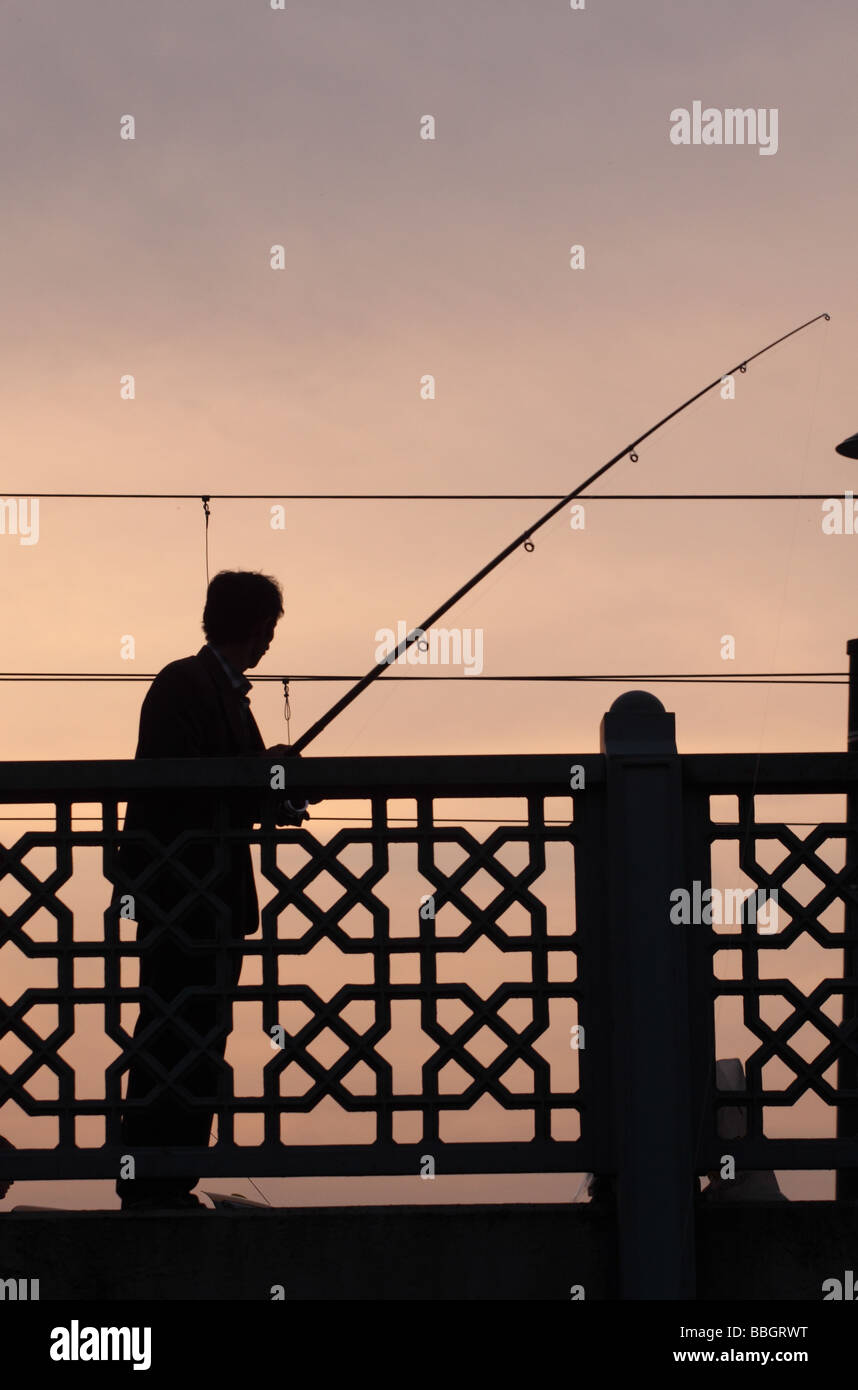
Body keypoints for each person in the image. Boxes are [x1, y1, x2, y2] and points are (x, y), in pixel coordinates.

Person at [112, 570, 307, 1211]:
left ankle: (169, 1173)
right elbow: (184, 787)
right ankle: (152, 1178)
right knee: (174, 1030)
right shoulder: (186, 684)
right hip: (184, 895)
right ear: (260, 627)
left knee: (197, 1033)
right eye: (270, 628)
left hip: (206, 899)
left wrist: (269, 785)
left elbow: (226, 788)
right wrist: (261, 778)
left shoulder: (209, 690)